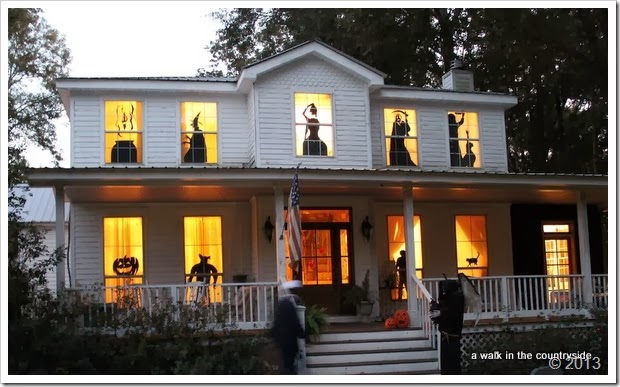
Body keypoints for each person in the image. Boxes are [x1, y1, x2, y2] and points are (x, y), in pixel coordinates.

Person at [271, 280, 306, 374]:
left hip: (282, 340)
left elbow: (276, 322)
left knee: (286, 362)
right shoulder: (290, 304)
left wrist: (274, 337)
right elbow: (295, 322)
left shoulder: (281, 303)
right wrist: (303, 334)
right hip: (290, 341)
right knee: (289, 364)